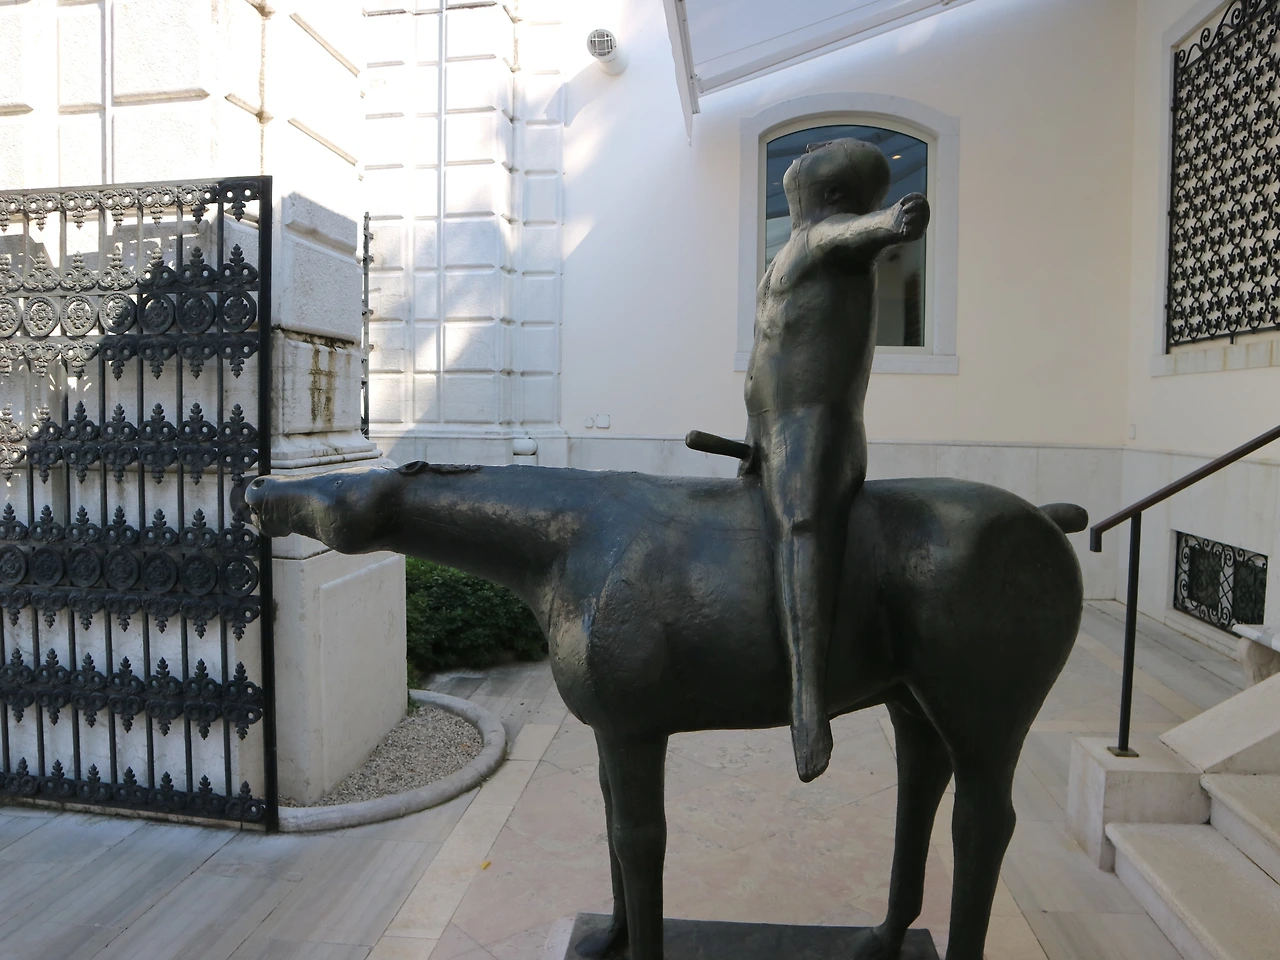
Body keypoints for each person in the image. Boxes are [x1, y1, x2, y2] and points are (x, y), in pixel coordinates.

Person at [742, 138, 929, 782]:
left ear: (829, 187)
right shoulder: (793, 245)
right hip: (768, 424)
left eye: (810, 159)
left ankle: (807, 700)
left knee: (802, 531)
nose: (796, 163)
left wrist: (897, 220)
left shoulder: (829, 235)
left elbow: (866, 231)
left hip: (812, 428)